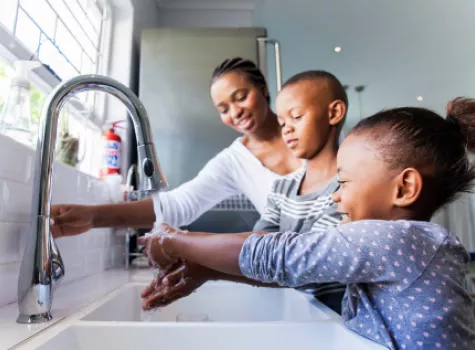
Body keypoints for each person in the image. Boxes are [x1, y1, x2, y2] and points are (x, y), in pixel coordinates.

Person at [139, 98, 475, 349]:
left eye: (344, 183)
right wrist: (210, 269)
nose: (336, 196)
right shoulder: (407, 244)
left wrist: (175, 240)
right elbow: (304, 271)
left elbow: (280, 256)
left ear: (404, 188)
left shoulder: (396, 240)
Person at [141, 70, 349, 313]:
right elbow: (259, 253)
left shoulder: (349, 188)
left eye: (297, 116)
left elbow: (297, 260)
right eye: (282, 122)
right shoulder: (283, 189)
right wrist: (206, 270)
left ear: (334, 113)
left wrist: (177, 241)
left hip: (346, 326)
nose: (287, 130)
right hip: (310, 317)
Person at [49, 57, 301, 238]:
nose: (235, 112)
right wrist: (94, 217)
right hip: (306, 280)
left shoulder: (305, 127)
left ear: (263, 89)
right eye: (223, 109)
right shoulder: (233, 162)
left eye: (241, 97)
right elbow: (178, 205)